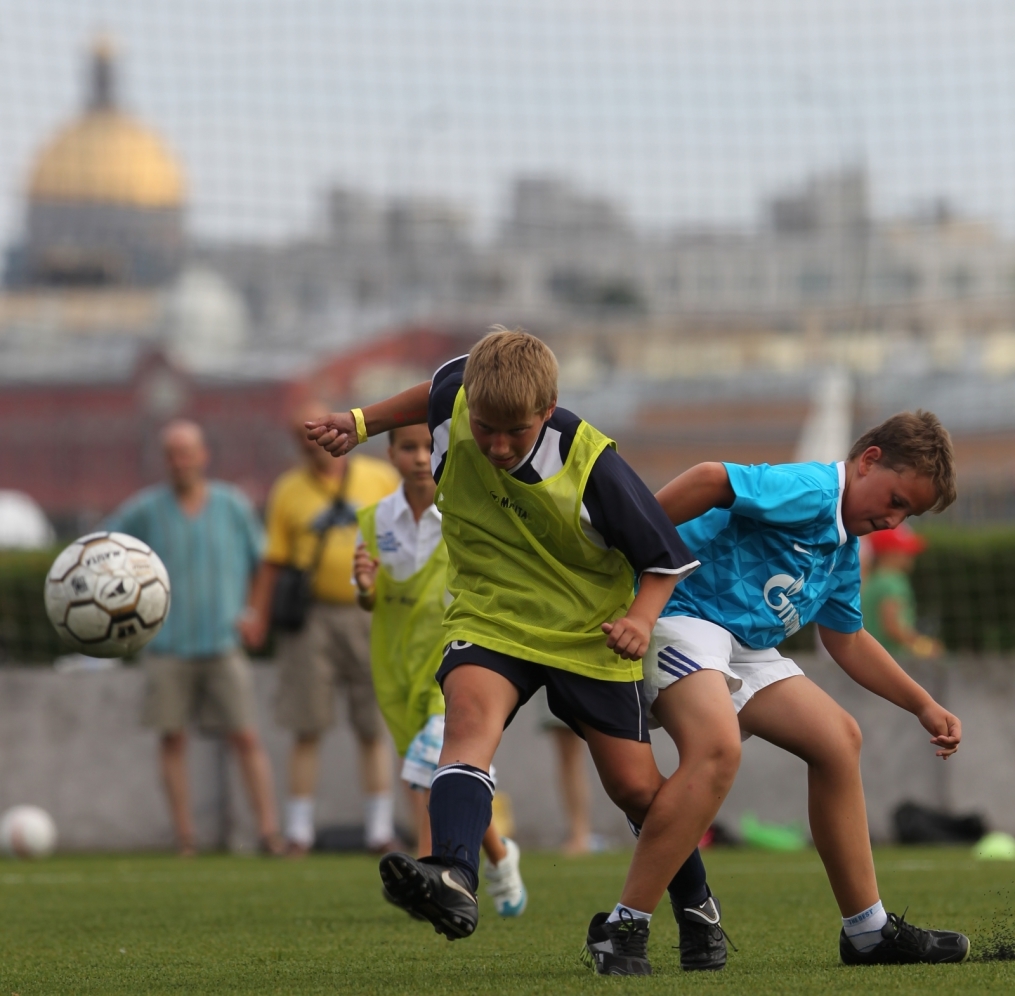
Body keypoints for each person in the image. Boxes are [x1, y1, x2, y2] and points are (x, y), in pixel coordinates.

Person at [306, 329, 707, 952]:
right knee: (464, 722)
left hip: (585, 629)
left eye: (514, 432)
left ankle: (697, 907)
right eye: (485, 426)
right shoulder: (457, 395)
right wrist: (360, 423)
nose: (494, 444)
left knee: (634, 787)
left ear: (547, 412)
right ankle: (455, 873)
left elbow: (664, 559)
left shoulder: (591, 462)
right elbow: (434, 391)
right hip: (488, 614)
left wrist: (642, 620)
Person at [633, 409, 968, 971]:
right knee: (717, 750)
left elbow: (849, 639)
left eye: (906, 512)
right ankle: (628, 924)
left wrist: (923, 704)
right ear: (868, 461)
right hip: (683, 614)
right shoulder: (812, 491)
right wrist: (632, 538)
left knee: (838, 739)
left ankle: (867, 932)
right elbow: (713, 478)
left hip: (740, 643)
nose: (893, 519)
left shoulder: (843, 546)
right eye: (895, 500)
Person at [353, 423, 527, 916]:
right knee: (434, 772)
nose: (419, 456)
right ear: (390, 455)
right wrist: (365, 585)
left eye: (429, 447)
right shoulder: (374, 520)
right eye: (408, 447)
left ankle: (434, 874)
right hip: (396, 664)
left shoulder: (462, 512)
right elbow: (367, 596)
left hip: (453, 656)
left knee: (432, 768)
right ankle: (499, 854)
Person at [108, 420, 282, 856]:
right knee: (172, 737)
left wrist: (254, 614)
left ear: (203, 456)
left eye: (186, 452)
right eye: (171, 454)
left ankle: (269, 832)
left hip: (223, 641)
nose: (179, 462)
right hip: (166, 645)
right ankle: (185, 837)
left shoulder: (231, 504)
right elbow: (102, 549)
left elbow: (262, 560)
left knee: (246, 736)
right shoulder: (144, 510)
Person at [243, 402, 400, 855]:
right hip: (310, 617)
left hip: (369, 611)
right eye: (303, 436)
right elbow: (272, 561)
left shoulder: (378, 479)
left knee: (373, 724)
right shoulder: (288, 490)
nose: (313, 444)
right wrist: (258, 614)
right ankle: (298, 831)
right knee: (306, 723)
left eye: (318, 432)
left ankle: (379, 829)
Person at [862, 523, 942, 659]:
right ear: (890, 552)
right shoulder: (894, 583)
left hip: (871, 656)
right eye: (906, 551)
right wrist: (923, 646)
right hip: (894, 657)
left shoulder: (871, 581)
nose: (911, 556)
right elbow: (892, 626)